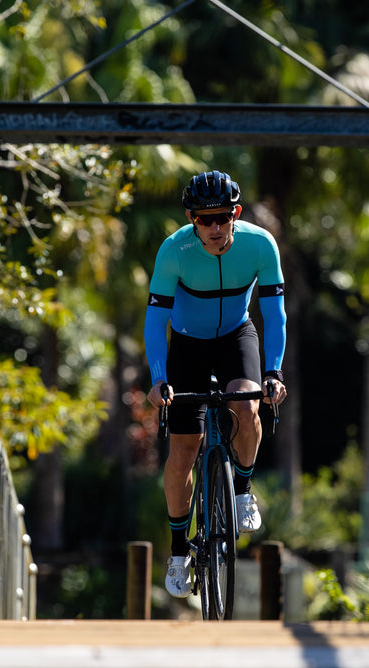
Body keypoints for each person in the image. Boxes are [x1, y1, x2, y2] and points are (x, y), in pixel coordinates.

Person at [144, 170, 288, 599]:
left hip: (236, 337)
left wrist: (274, 372)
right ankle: (177, 551)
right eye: (204, 220)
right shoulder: (174, 250)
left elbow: (276, 314)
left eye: (222, 218)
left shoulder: (260, 244)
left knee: (247, 407)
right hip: (187, 346)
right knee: (184, 449)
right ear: (192, 219)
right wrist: (159, 379)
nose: (214, 228)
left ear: (235, 214)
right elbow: (155, 321)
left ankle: (242, 490)